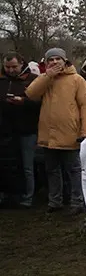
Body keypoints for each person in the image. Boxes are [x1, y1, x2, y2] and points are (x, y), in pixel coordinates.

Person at [25, 48, 86, 215]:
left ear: (65, 61)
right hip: (48, 134)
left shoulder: (77, 80)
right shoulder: (46, 79)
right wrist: (47, 75)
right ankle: (55, 201)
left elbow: (85, 106)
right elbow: (31, 94)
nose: (54, 62)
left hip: (71, 133)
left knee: (74, 170)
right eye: (51, 60)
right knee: (52, 170)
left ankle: (77, 201)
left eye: (58, 59)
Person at [0, 52, 40, 208]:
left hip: (27, 128)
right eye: (7, 67)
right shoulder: (2, 80)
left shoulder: (33, 81)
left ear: (22, 64)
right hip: (5, 129)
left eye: (14, 67)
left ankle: (28, 196)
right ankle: (7, 194)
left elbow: (40, 103)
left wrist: (23, 102)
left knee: (27, 165)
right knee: (6, 164)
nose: (10, 70)